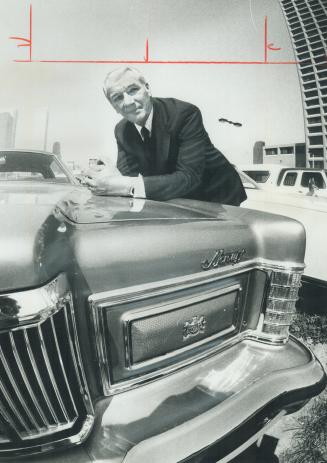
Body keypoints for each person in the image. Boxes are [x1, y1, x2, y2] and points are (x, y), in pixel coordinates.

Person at [86, 66, 246, 206]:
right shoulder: (121, 130)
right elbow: (129, 177)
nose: (128, 102)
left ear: (147, 88)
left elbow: (188, 177)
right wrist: (113, 177)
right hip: (176, 199)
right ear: (113, 107)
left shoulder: (184, 114)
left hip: (218, 195)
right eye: (118, 98)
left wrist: (120, 183)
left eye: (133, 90)